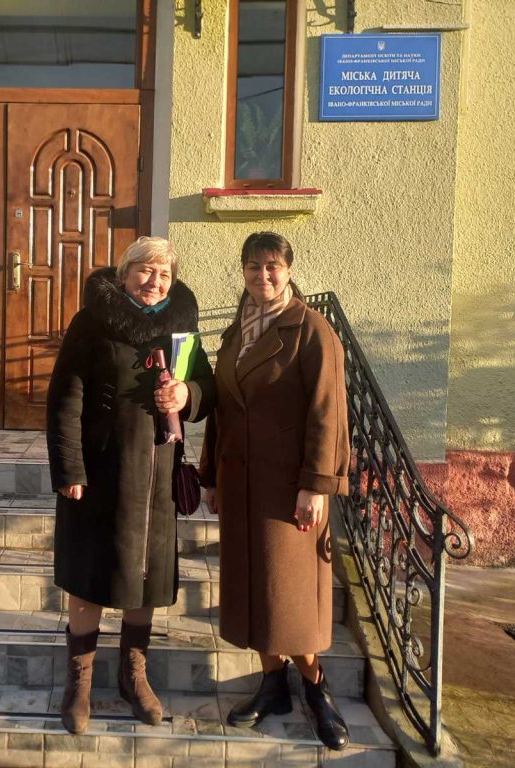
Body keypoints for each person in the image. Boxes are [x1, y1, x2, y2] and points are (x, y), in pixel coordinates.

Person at [47, 236, 215, 735]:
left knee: (146, 579)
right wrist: (69, 470)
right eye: (145, 271)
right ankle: (79, 683)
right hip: (99, 474)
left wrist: (187, 393)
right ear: (123, 274)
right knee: (89, 577)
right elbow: (65, 399)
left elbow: (209, 389)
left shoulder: (181, 328)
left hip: (157, 475)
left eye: (164, 274)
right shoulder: (91, 323)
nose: (154, 282)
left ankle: (133, 675)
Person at [198, 231, 351, 750]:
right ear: (242, 271)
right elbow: (223, 409)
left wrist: (316, 486)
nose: (262, 275)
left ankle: (316, 688)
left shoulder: (311, 331)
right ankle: (272, 685)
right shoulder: (236, 332)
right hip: (240, 482)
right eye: (253, 266)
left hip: (288, 488)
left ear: (288, 270)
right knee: (254, 592)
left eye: (272, 266)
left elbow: (328, 414)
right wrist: (211, 476)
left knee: (290, 597)